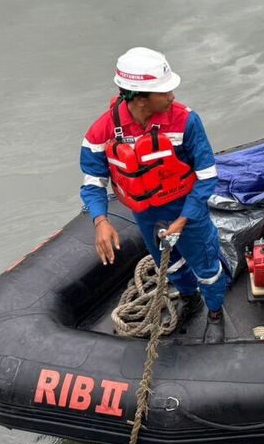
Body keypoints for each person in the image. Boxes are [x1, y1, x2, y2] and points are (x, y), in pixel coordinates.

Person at [79, 47, 229, 336]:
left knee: (207, 265)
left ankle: (214, 311)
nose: (172, 96)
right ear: (139, 98)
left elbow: (207, 176)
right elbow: (93, 181)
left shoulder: (186, 121)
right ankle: (189, 297)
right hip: (147, 216)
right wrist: (101, 220)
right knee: (170, 265)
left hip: (187, 208)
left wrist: (184, 219)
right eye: (164, 91)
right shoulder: (101, 132)